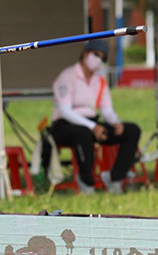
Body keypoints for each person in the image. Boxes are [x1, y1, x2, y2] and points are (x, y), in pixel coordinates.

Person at [49, 40, 141, 194]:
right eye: (96, 55)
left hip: (92, 123)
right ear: (86, 54)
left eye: (103, 58)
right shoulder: (67, 76)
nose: (99, 60)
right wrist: (92, 127)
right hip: (64, 125)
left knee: (131, 130)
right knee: (83, 133)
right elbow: (65, 111)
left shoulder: (100, 81)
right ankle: (86, 182)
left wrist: (115, 122)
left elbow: (106, 110)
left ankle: (114, 177)